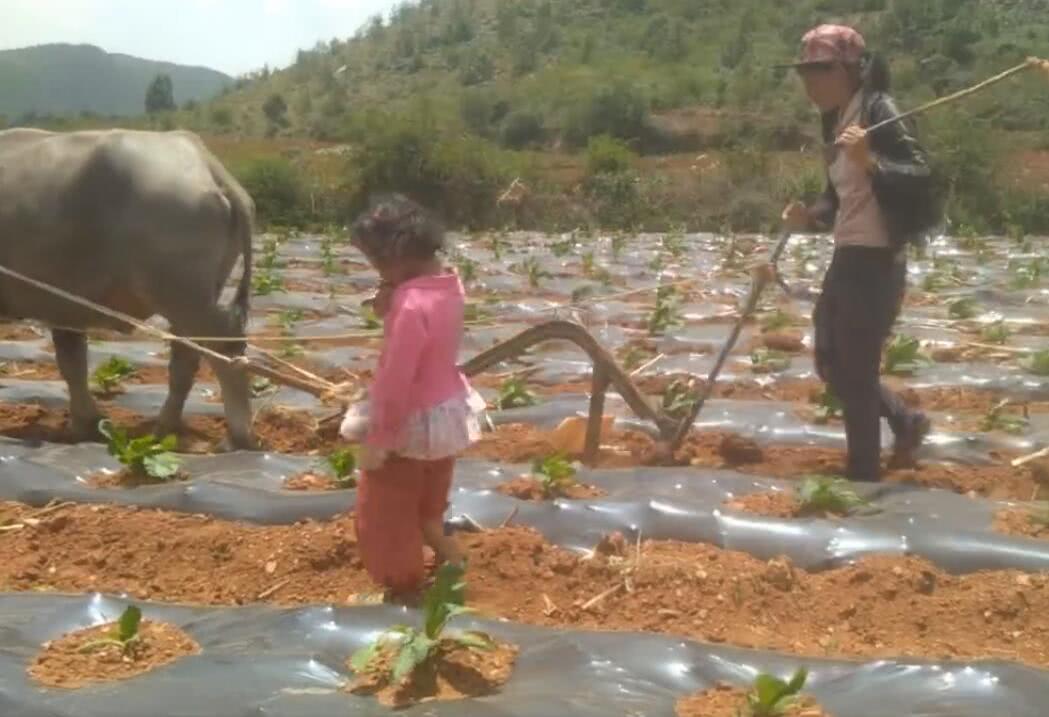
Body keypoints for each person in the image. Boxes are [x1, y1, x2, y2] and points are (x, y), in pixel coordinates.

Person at [778, 25, 937, 482]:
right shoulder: (834, 119)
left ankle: (863, 476)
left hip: (877, 260)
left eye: (820, 71)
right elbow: (837, 196)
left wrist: (872, 161)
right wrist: (810, 215)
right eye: (805, 72)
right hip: (848, 255)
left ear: (850, 71)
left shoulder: (879, 112)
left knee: (858, 370)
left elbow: (921, 174)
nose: (810, 82)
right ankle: (906, 421)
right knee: (832, 361)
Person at [340, 194, 485, 601]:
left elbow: (395, 381)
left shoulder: (409, 305)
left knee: (384, 512)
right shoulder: (448, 285)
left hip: (410, 423)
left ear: (394, 257)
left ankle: (403, 588)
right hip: (447, 415)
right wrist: (390, 295)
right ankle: (450, 556)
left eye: (375, 261)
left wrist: (378, 440)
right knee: (428, 504)